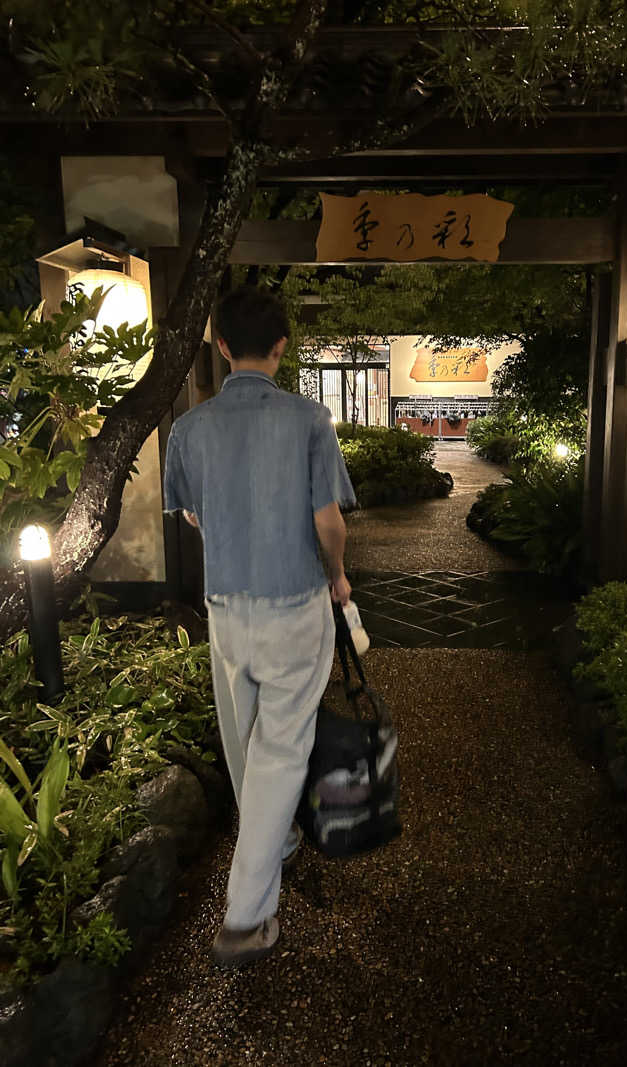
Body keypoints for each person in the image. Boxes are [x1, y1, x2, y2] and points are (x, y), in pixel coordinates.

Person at [162, 285, 355, 969]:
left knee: (243, 737)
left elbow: (194, 514)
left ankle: (276, 838)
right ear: (281, 347)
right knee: (279, 748)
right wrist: (338, 575)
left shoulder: (189, 429)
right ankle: (246, 915)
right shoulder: (308, 420)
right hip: (294, 602)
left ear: (220, 346)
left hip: (225, 607)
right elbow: (328, 521)